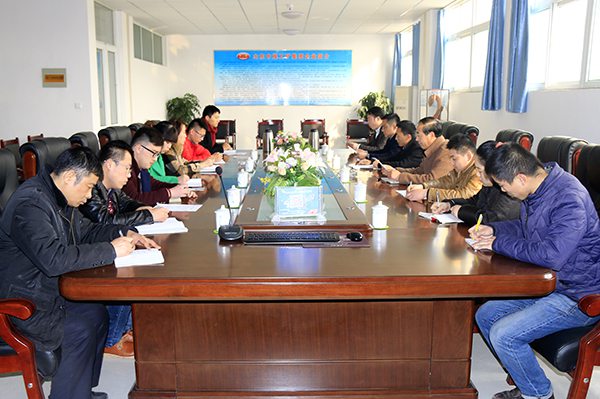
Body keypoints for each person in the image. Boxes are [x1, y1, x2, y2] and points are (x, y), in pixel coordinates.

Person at [0, 147, 158, 399]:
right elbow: (53, 259)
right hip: (24, 304)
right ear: (69, 176)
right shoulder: (30, 204)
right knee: (80, 327)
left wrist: (124, 234)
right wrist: (111, 250)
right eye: (87, 187)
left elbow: (86, 232)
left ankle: (80, 390)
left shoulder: (60, 197)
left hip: (47, 290)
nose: (88, 196)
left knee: (96, 312)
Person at [469, 143, 600, 399]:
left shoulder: (568, 197)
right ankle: (528, 381)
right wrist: (494, 230)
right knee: (486, 314)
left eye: (503, 185)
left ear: (520, 177)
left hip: (579, 295)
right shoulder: (540, 188)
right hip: (552, 285)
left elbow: (551, 254)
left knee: (504, 335)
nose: (501, 189)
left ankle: (539, 394)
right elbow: (529, 228)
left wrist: (498, 243)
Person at [430, 140, 521, 225]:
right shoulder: (488, 185)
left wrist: (461, 211)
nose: (477, 174)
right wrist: (449, 204)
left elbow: (490, 219)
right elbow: (473, 201)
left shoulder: (507, 191)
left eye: (480, 170)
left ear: (492, 168)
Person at [123, 126, 196, 206]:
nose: (155, 159)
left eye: (157, 155)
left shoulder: (141, 167)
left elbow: (154, 184)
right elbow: (134, 200)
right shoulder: (125, 169)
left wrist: (180, 189)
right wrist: (169, 193)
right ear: (139, 148)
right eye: (153, 153)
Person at [405, 133, 482, 202]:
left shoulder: (478, 173)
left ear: (468, 156)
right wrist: (422, 186)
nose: (451, 163)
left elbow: (464, 196)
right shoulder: (459, 169)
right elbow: (443, 182)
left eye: (454, 159)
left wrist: (427, 193)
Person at [381, 117, 453, 184]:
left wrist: (400, 177)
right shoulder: (432, 149)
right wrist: (395, 170)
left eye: (419, 135)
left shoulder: (446, 151)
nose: (416, 139)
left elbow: (432, 180)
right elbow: (419, 171)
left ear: (431, 135)